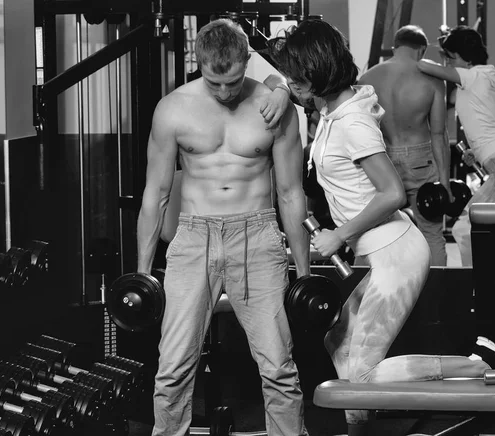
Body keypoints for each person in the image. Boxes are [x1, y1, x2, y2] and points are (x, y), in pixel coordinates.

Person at [268, 19, 495, 436]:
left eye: (297, 78)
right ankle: (363, 428)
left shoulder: (353, 123)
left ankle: (479, 364)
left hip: (397, 255)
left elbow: (393, 192)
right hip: (384, 251)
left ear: (317, 72)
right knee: (339, 345)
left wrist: (340, 235)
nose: (292, 84)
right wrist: (278, 84)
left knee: (361, 376)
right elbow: (276, 71)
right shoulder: (335, 110)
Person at [136, 18, 311, 436]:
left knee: (278, 366)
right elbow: (155, 194)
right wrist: (142, 272)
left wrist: (304, 274)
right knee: (173, 367)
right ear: (200, 64)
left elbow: (290, 193)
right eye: (215, 84)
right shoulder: (173, 108)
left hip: (257, 234)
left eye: (233, 82)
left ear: (246, 61)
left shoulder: (273, 107)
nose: (226, 93)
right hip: (194, 236)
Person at [417, 25, 495, 266]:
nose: (449, 64)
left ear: (467, 59)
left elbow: (422, 66)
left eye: (452, 58)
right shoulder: (493, 82)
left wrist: (418, 53)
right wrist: (478, 149)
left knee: (464, 228)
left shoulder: (471, 77)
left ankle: (474, 287)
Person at [358, 24, 453, 266]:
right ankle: (436, 298)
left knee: (372, 232)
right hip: (421, 159)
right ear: (421, 50)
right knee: (431, 232)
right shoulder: (432, 79)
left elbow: (359, 130)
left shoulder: (368, 78)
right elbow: (439, 134)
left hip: (382, 159)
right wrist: (444, 183)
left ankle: (364, 297)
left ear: (395, 47)